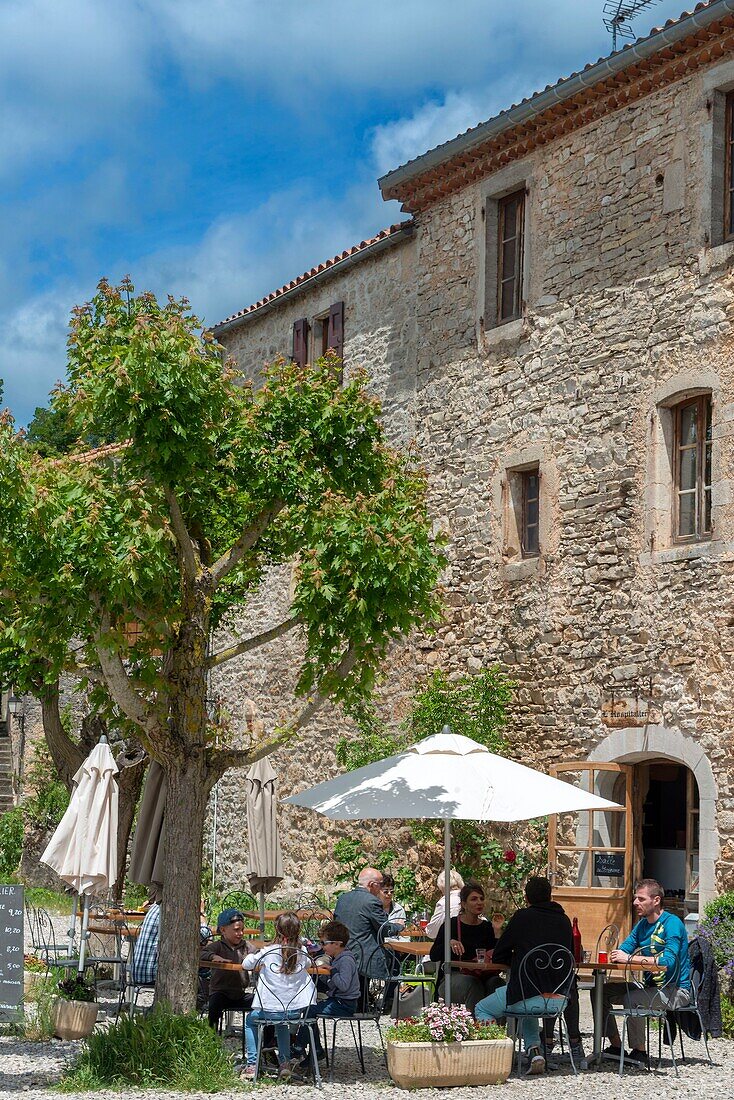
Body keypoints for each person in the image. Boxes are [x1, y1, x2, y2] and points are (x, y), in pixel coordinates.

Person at [475, 876, 576, 1076]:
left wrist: (517, 955)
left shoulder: (523, 917)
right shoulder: (564, 920)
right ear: (550, 896)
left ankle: (494, 1054)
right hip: (559, 1000)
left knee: (483, 1008)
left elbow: (500, 953)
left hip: (526, 995)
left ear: (527, 898)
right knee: (524, 1003)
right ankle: (534, 1051)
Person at [596, 878, 692, 1066]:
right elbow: (623, 951)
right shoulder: (642, 925)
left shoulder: (672, 924)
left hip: (676, 990)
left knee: (633, 998)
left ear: (656, 900)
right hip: (650, 987)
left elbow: (668, 961)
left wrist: (630, 959)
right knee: (600, 992)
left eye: (641, 899)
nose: (635, 903)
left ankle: (639, 1052)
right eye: (635, 899)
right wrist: (623, 955)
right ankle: (616, 1046)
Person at [241, 912, 316, 1081]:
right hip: (294, 1013)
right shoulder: (302, 951)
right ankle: (285, 1064)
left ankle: (252, 1065)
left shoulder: (268, 951)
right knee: (282, 1024)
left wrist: (254, 955)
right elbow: (309, 964)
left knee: (250, 1021)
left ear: (276, 930)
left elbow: (246, 964)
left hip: (270, 1011)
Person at [294, 919, 360, 1068]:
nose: (322, 947)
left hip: (345, 1004)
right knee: (309, 1010)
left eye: (324, 943)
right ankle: (316, 1050)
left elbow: (343, 985)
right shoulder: (338, 958)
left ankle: (299, 1046)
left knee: (310, 1011)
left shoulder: (345, 960)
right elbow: (334, 985)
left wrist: (332, 971)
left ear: (337, 944)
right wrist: (325, 975)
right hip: (338, 1000)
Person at [429, 881, 498, 1013]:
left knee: (497, 984)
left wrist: (497, 932)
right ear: (464, 904)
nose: (479, 902)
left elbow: (496, 954)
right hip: (453, 976)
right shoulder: (451, 925)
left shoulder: (487, 927)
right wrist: (448, 943)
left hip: (482, 975)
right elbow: (434, 955)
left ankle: (496, 1029)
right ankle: (476, 1027)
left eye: (481, 899)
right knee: (473, 984)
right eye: (474, 899)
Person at [334, 867, 400, 980]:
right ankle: (389, 997)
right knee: (395, 957)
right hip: (364, 958)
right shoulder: (371, 901)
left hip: (341, 952)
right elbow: (385, 930)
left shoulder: (343, 898)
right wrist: (399, 926)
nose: (380, 888)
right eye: (380, 884)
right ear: (372, 884)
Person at [199, 907, 253, 1031]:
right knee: (214, 1007)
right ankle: (211, 1036)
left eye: (242, 930)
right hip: (220, 993)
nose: (240, 933)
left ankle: (268, 1042)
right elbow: (202, 953)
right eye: (236, 930)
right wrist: (214, 957)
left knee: (264, 1004)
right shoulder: (217, 946)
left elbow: (259, 954)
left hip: (239, 994)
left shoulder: (246, 946)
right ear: (223, 930)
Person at [130, 894, 160, 987]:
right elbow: (201, 935)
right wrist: (201, 913)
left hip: (137, 972)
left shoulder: (155, 908)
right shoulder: (167, 910)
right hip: (151, 975)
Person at [425, 869, 464, 939]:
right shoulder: (469, 899)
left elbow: (432, 932)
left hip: (452, 946)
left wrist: (426, 929)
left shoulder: (444, 903)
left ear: (442, 886)